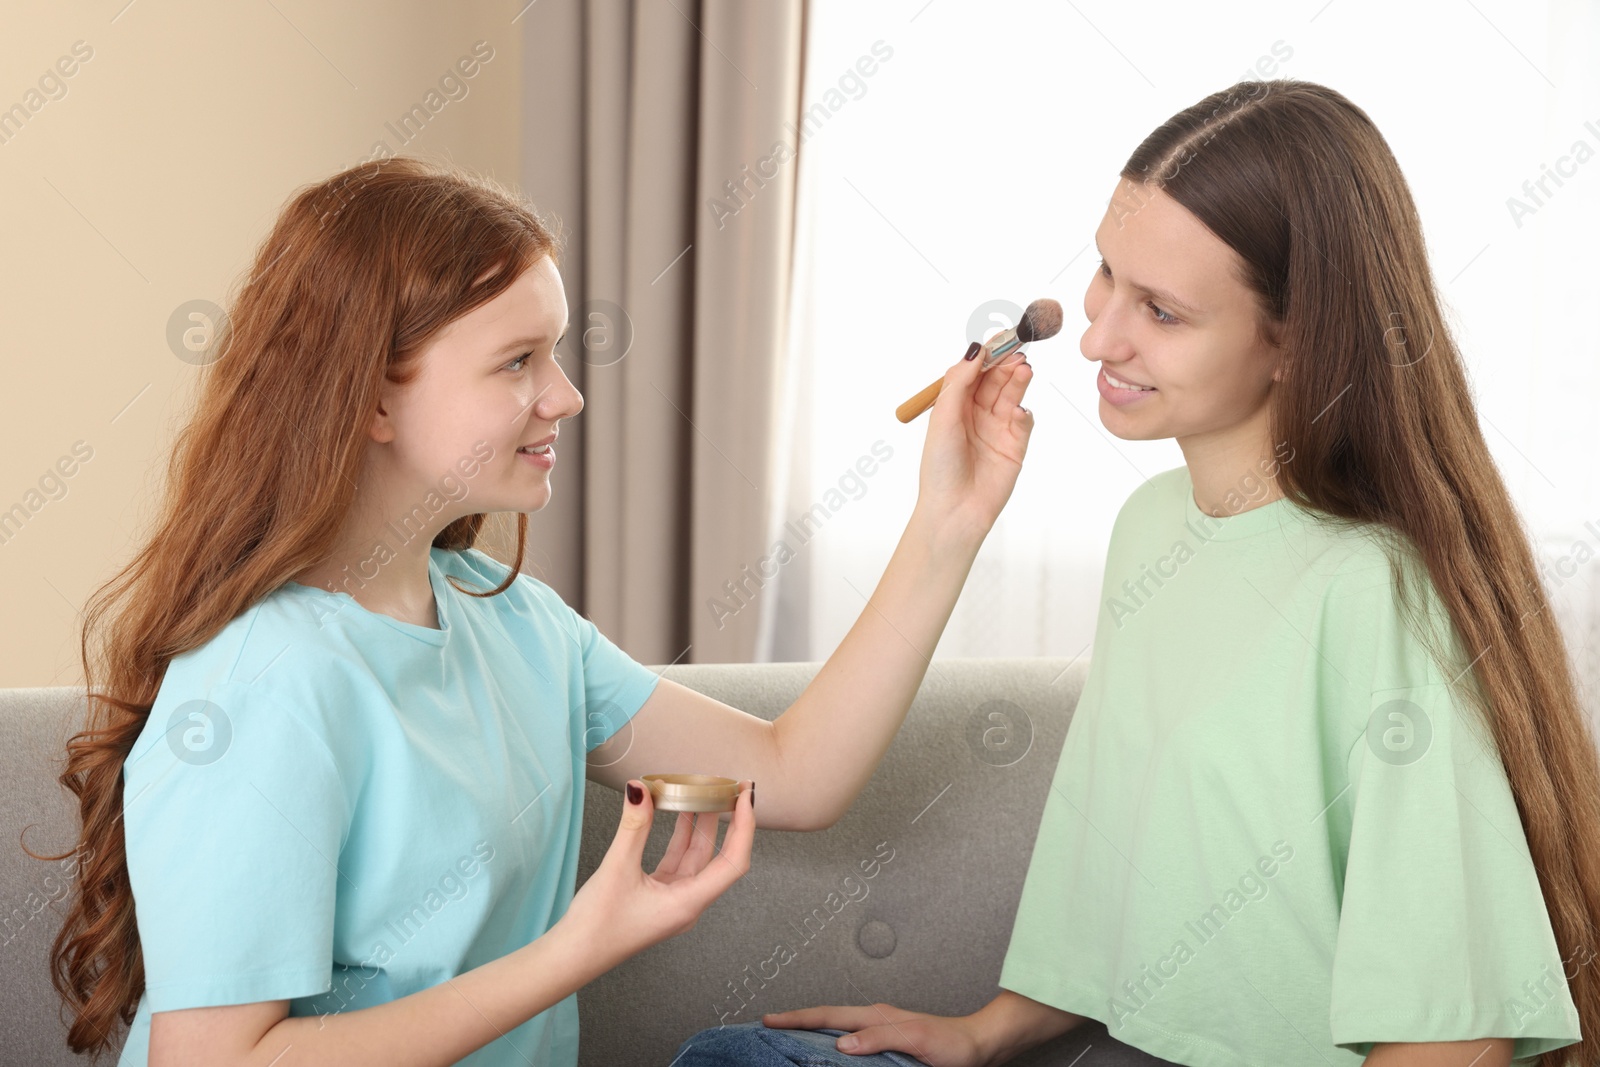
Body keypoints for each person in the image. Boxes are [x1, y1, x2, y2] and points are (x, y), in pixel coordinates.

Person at [31, 156, 1037, 1066]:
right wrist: (576, 949)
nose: (565, 396)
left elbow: (792, 774)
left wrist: (946, 522)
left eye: (552, 355)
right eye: (518, 361)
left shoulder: (505, 617)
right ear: (373, 401)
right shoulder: (265, 681)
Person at [678, 78, 1600, 1067]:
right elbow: (1112, 842)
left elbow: (1454, 1035)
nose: (1098, 335)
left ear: (1295, 341)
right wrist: (984, 1030)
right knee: (736, 1056)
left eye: (1161, 310)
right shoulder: (1151, 525)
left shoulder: (1370, 590)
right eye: (1105, 275)